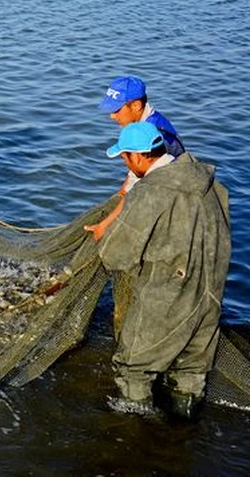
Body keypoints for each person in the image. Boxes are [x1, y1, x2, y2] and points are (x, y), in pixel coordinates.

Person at [92, 122, 230, 419]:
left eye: (125, 158)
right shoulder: (212, 185)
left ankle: (136, 439)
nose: (126, 164)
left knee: (133, 368)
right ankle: (183, 436)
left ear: (140, 157)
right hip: (210, 296)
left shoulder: (149, 192)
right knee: (192, 371)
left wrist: (104, 239)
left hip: (167, 295)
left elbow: (116, 254)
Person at [85, 75, 185, 241]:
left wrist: (104, 225)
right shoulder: (143, 124)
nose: (112, 116)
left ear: (136, 105)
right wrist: (120, 194)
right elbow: (135, 175)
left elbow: (142, 186)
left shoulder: (153, 135)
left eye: (116, 110)